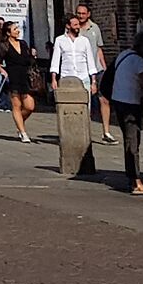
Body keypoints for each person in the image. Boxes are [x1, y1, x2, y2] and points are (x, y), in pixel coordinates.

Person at [109, 27, 143, 196]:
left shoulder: (123, 55)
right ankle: (136, 181)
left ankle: (132, 178)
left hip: (118, 100)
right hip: (130, 103)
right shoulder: (138, 61)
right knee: (132, 141)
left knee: (129, 140)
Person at [50, 10, 100, 178]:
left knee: (85, 114)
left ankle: (85, 141)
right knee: (67, 113)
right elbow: (56, 59)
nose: (78, 27)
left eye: (79, 24)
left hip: (84, 78)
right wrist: (54, 78)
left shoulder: (84, 41)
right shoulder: (60, 41)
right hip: (67, 78)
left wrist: (93, 80)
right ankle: (70, 141)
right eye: (75, 25)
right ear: (68, 26)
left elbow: (90, 60)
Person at [0, 21, 38, 142]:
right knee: (17, 105)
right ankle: (23, 133)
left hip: (25, 76)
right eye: (15, 29)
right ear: (8, 33)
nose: (18, 30)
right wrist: (2, 71)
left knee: (30, 106)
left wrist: (33, 56)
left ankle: (20, 123)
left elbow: (28, 60)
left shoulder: (23, 43)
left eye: (17, 28)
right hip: (13, 76)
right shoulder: (5, 45)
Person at [74, 3, 112, 143]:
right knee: (85, 101)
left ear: (88, 14)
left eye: (83, 13)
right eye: (79, 13)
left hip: (97, 68)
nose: (81, 16)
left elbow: (99, 49)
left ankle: (106, 132)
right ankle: (85, 131)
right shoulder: (75, 29)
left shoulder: (94, 28)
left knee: (104, 99)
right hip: (82, 70)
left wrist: (104, 67)